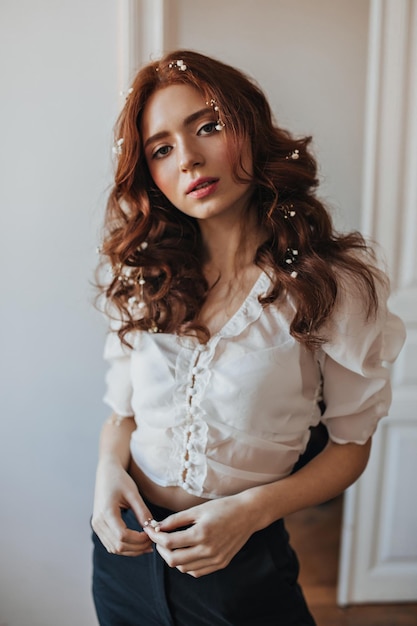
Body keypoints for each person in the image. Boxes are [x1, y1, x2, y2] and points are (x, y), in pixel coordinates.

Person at [91, 49, 405, 626]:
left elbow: (349, 448)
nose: (188, 159)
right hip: (123, 557)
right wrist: (106, 474)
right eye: (161, 149)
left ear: (250, 128)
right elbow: (123, 413)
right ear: (150, 175)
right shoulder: (144, 273)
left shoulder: (333, 285)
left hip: (241, 561)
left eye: (207, 126)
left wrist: (251, 512)